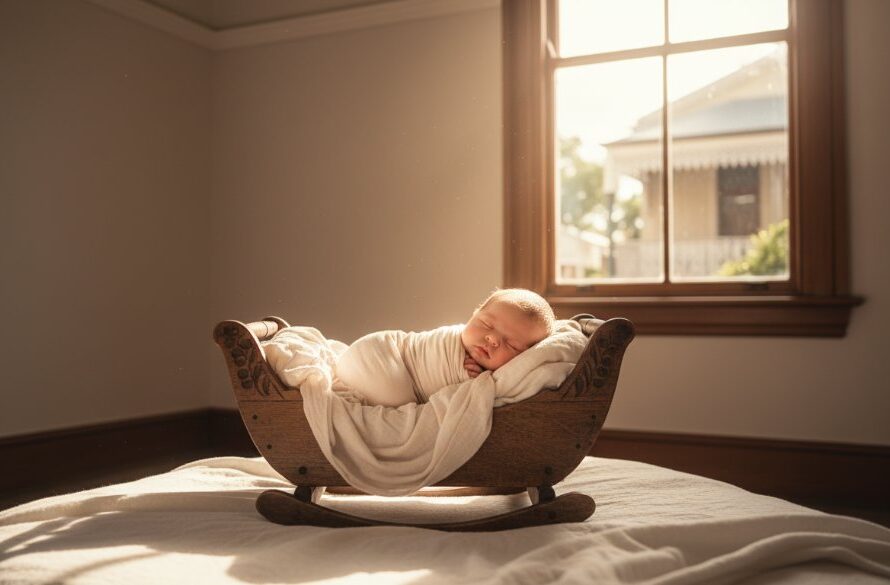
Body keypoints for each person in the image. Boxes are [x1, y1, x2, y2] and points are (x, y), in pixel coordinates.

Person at [335, 288, 556, 407]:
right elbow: (431, 358)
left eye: (511, 344)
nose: (493, 339)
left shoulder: (501, 374)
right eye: (486, 324)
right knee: (394, 403)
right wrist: (459, 373)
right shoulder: (450, 339)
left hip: (374, 364)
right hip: (378, 356)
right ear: (474, 314)